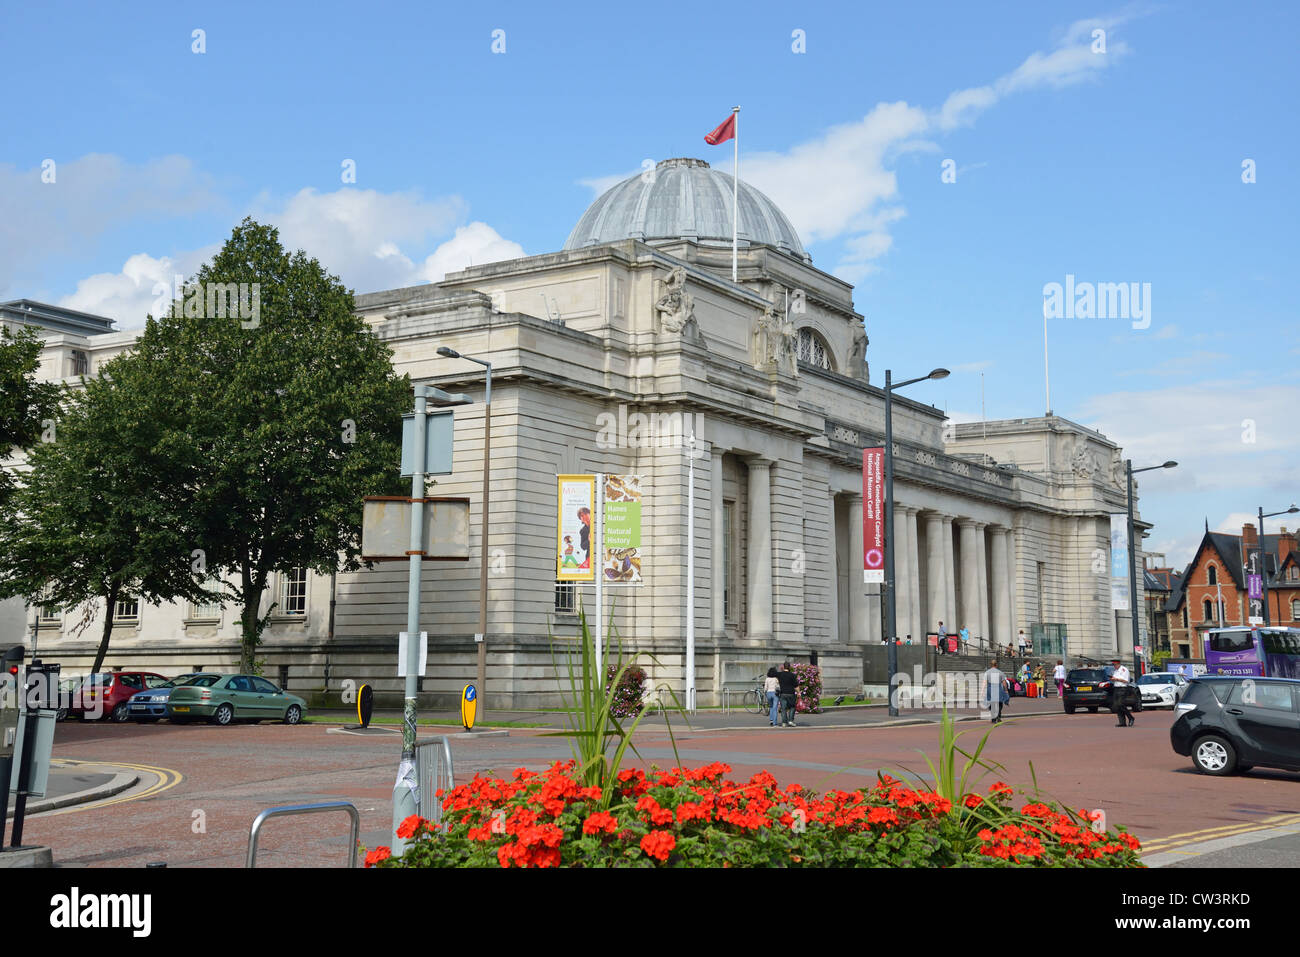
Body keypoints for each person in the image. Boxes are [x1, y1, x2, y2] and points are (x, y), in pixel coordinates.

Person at [982, 658, 1009, 724]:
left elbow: (984, 682)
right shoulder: (1000, 672)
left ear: (990, 665)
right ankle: (998, 715)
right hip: (998, 688)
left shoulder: (987, 672)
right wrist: (1006, 690)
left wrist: (982, 691)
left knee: (991, 703)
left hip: (990, 688)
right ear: (996, 665)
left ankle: (993, 718)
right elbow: (1004, 682)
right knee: (999, 703)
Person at [1110, 657, 1135, 727]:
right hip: (1116, 688)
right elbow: (1115, 679)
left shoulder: (1124, 670)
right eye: (1113, 665)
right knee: (1116, 706)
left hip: (1122, 688)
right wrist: (1113, 679)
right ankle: (1122, 722)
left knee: (1120, 704)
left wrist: (1116, 679)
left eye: (1114, 664)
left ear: (1118, 664)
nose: (1114, 666)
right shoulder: (1115, 671)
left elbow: (1126, 680)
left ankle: (1131, 717)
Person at [776, 660, 798, 727]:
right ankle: (791, 721)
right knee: (792, 707)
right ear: (789, 667)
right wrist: (799, 692)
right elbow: (796, 686)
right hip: (791, 693)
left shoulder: (779, 674)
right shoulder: (793, 675)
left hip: (783, 693)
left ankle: (784, 722)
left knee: (783, 708)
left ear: (783, 667)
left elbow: (776, 680)